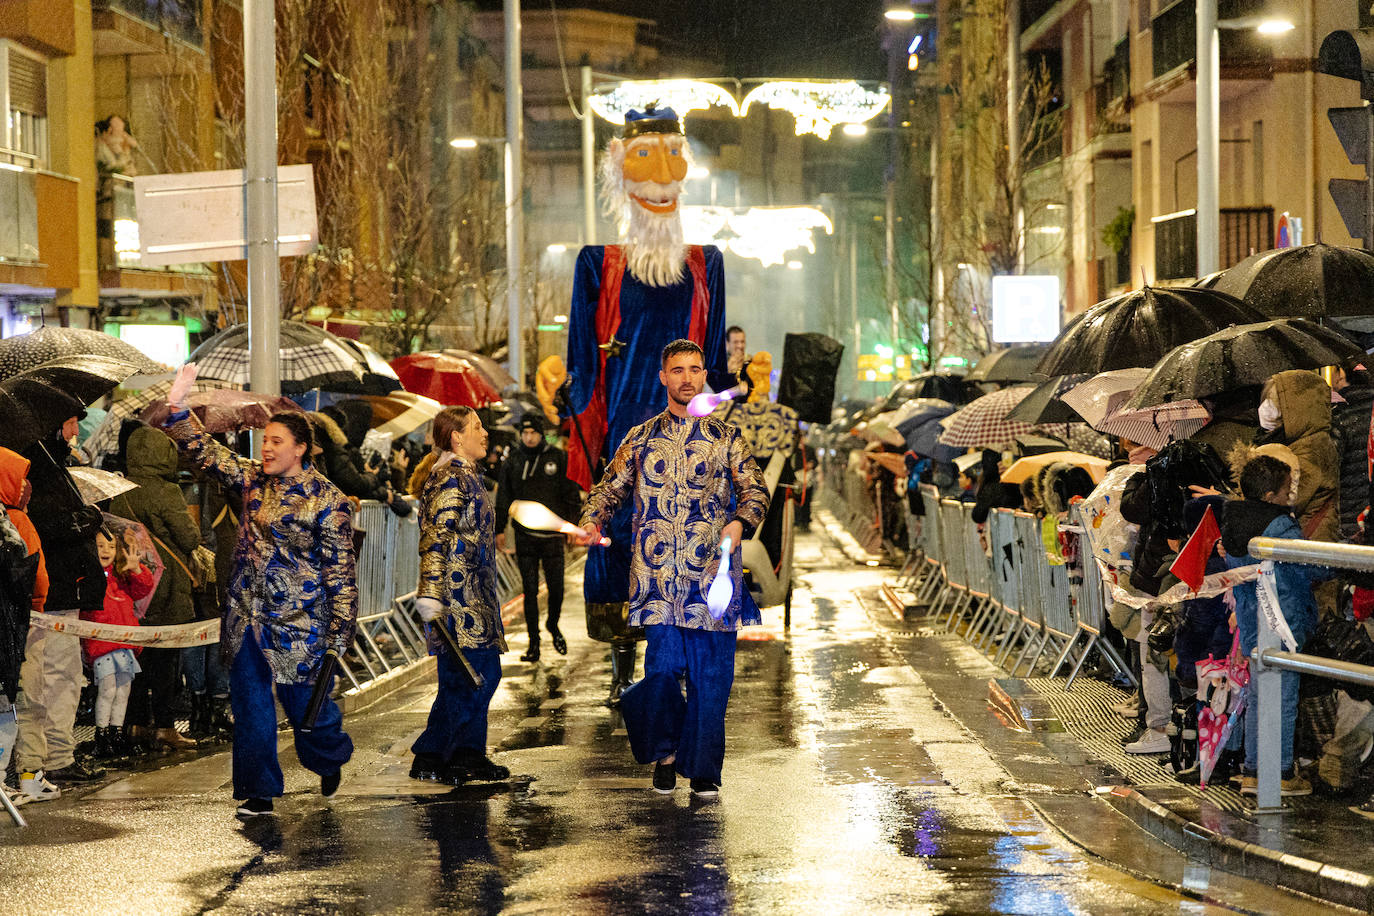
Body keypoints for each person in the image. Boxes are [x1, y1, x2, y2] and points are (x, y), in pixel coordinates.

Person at [564, 105, 732, 705]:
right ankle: (620, 661)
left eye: (671, 158)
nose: (661, 178)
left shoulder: (705, 261)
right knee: (617, 539)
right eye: (644, 158)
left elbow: (712, 356)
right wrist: (571, 402)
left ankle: (684, 656)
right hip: (620, 435)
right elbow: (581, 358)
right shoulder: (597, 263)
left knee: (694, 536)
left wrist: (730, 397)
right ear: (621, 172)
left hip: (688, 439)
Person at [162, 364, 359, 818]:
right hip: (247, 616)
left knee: (308, 712)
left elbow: (341, 571)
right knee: (250, 706)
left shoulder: (328, 502)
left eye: (276, 442)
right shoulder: (252, 481)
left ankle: (329, 757)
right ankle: (258, 791)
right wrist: (178, 411)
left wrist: (339, 632)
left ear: (301, 449)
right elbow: (207, 454)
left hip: (301, 621)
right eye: (264, 441)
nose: (266, 449)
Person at [575, 339, 769, 797]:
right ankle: (664, 753)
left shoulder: (726, 439)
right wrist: (590, 519)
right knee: (661, 673)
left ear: (704, 376)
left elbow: (756, 492)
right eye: (677, 370)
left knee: (710, 680)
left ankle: (702, 768)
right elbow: (609, 490)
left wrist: (741, 522)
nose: (687, 378)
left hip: (712, 582)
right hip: (656, 580)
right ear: (663, 377)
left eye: (695, 369)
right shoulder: (639, 438)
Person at [410, 406, 511, 786]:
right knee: (477, 675)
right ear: (456, 437)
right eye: (477, 427)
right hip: (457, 600)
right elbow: (436, 537)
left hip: (475, 596)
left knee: (465, 677)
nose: (484, 433)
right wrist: (432, 596)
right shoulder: (451, 478)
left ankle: (459, 753)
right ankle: (441, 751)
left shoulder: (465, 475)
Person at [1221, 454, 1330, 797]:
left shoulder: (1234, 521)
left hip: (1253, 623)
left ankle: (1254, 770)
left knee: (1258, 694)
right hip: (1282, 621)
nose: (1290, 496)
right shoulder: (1279, 525)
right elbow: (1306, 565)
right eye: (1286, 490)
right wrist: (1344, 564)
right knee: (1282, 697)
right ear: (1270, 495)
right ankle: (1280, 773)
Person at [16, 418, 107, 786]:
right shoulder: (33, 466)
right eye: (70, 422)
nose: (74, 431)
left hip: (62, 590)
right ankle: (48, 760)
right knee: (51, 678)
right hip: (49, 595)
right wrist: (87, 519)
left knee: (62, 677)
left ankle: (52, 756)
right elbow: (42, 525)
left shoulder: (53, 462)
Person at [109, 425, 202, 752]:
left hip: (133, 584)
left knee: (135, 657)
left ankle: (135, 724)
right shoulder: (166, 491)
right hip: (166, 586)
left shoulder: (120, 489)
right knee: (166, 661)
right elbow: (190, 538)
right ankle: (164, 727)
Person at [495, 415, 581, 663]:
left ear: (541, 434)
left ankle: (553, 625)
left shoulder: (557, 457)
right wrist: (500, 529)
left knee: (556, 589)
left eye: (533, 433)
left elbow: (570, 493)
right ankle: (534, 643)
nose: (529, 437)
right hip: (525, 537)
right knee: (529, 591)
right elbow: (504, 497)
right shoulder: (514, 460)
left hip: (553, 537)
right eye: (525, 433)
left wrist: (573, 527)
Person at [0, 447, 48, 806]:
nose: (27, 485)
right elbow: (37, 580)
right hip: (25, 625)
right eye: (20, 477)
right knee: (28, 703)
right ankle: (30, 780)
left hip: (13, 623)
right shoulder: (18, 523)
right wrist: (35, 607)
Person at [81, 526, 151, 761]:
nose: (106, 550)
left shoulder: (122, 578)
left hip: (124, 645)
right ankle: (101, 735)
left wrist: (136, 568)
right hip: (102, 645)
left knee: (123, 691)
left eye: (111, 546)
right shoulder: (88, 578)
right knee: (108, 690)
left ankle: (116, 732)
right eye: (101, 545)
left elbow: (143, 588)